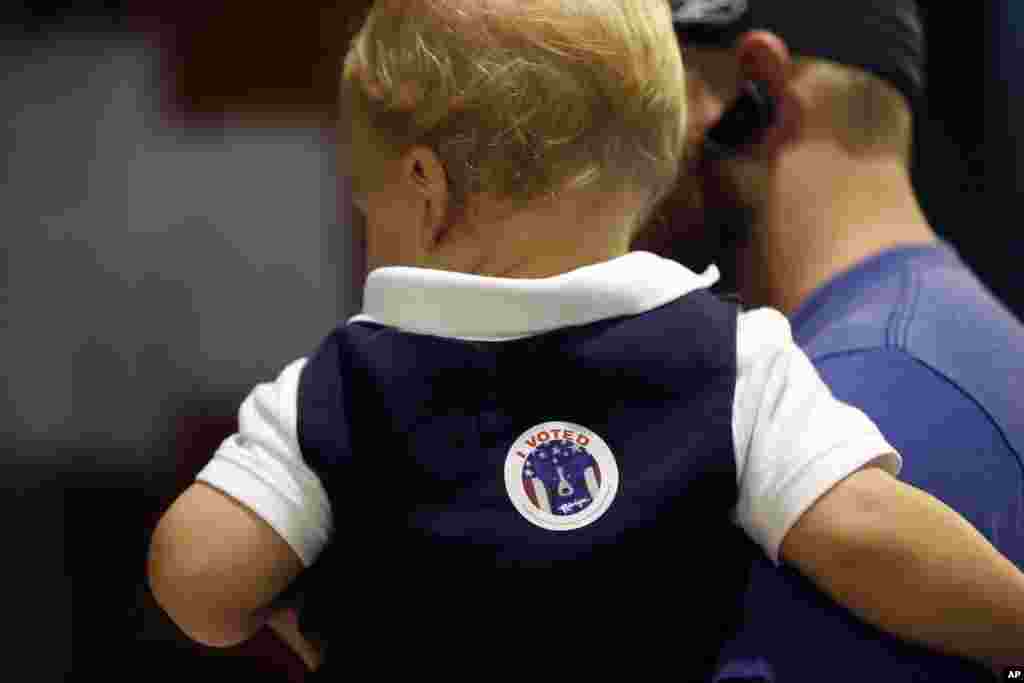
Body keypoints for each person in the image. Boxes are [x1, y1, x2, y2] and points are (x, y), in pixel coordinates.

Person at [146, 1, 1024, 679]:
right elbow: (868, 529)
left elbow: (200, 579)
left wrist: (316, 607)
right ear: (650, 165)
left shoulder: (336, 388)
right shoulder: (738, 359)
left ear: (423, 185)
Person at [634, 0, 1024, 680]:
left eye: (647, 98)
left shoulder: (856, 425)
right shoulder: (941, 347)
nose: (616, 149)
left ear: (755, 91)